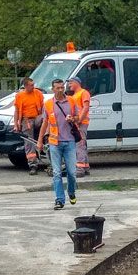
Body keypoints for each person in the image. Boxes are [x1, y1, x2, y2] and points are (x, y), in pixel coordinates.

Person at [37, 79, 78, 210]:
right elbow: (45, 123)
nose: (60, 90)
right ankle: (59, 199)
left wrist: (73, 118)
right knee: (56, 173)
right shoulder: (48, 104)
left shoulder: (71, 101)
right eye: (58, 88)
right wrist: (39, 141)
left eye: (62, 87)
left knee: (72, 172)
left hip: (70, 141)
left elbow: (78, 117)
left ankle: (71, 192)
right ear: (53, 89)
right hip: (55, 143)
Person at [13, 77, 45, 175]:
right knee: (28, 141)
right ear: (26, 86)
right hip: (26, 120)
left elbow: (44, 108)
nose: (33, 86)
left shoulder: (38, 93)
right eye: (31, 85)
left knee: (47, 121)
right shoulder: (20, 96)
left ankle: (46, 144)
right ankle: (33, 164)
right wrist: (16, 124)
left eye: (33, 84)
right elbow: (17, 111)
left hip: (38, 117)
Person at [68, 77, 91, 177]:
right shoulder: (74, 95)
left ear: (76, 82)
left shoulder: (83, 92)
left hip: (81, 123)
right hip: (77, 122)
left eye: (70, 83)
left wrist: (79, 120)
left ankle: (80, 169)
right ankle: (85, 167)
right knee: (81, 144)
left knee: (80, 145)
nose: (69, 85)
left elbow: (85, 107)